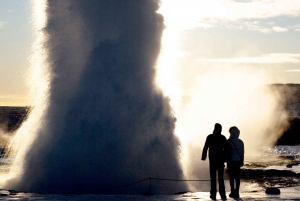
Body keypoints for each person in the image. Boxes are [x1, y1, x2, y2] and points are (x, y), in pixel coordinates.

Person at [202, 123, 228, 200]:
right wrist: (225, 159)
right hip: (220, 161)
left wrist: (204, 157)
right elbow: (226, 149)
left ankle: (213, 194)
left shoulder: (210, 137)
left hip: (212, 160)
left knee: (213, 178)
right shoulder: (222, 138)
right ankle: (222, 194)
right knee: (221, 178)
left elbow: (205, 147)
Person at [227, 126, 244, 198]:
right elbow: (242, 153)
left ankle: (232, 191)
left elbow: (227, 153)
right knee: (237, 177)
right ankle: (237, 191)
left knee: (231, 177)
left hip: (230, 161)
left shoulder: (229, 141)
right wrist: (242, 161)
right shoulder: (240, 142)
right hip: (238, 161)